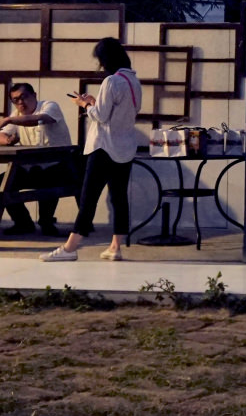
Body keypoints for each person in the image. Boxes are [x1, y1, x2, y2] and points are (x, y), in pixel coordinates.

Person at [41, 37, 142, 262]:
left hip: (103, 148)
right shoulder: (134, 81)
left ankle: (70, 248)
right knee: (119, 198)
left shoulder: (111, 81)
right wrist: (96, 102)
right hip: (125, 147)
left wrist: (85, 104)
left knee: (88, 198)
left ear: (105, 59)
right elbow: (120, 112)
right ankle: (115, 247)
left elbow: (100, 116)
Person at [0, 83, 74, 236]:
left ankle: (46, 222)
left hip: (58, 166)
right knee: (3, 182)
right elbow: (2, 134)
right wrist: (7, 140)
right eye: (15, 100)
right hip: (31, 167)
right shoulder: (16, 116)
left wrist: (8, 120)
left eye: (23, 97)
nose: (20, 102)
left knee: (49, 180)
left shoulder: (49, 106)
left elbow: (40, 119)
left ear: (34, 95)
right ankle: (23, 222)